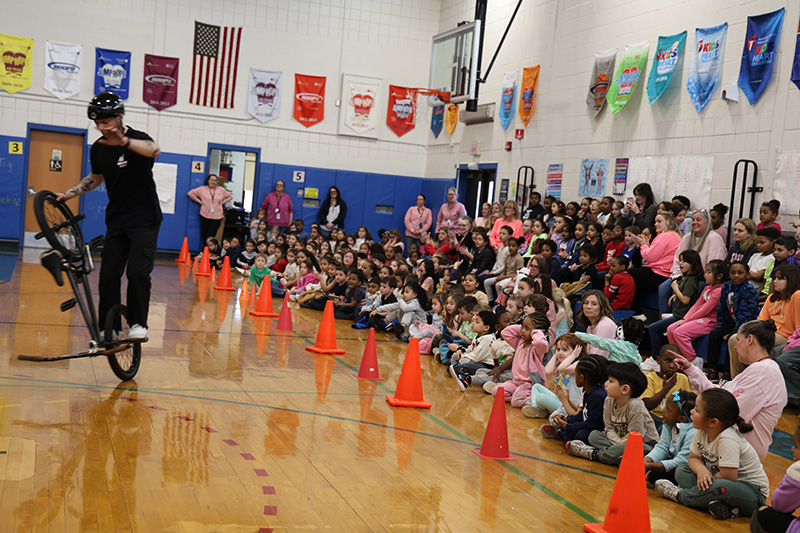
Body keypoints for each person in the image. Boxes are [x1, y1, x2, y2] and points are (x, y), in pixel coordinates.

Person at [57, 92, 161, 341]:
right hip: (117, 220)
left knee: (137, 273)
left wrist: (124, 142)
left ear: (119, 116)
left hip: (145, 219)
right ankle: (109, 327)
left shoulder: (137, 140)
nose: (101, 128)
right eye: (97, 124)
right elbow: (95, 178)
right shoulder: (99, 148)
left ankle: (138, 324)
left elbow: (154, 150)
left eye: (105, 122)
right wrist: (68, 194)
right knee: (108, 275)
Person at [671, 319, 787, 461]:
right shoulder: (758, 369)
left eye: (738, 340)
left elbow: (726, 411)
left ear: (750, 339)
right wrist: (691, 369)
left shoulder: (764, 372)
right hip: (731, 448)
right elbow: (719, 396)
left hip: (739, 455)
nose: (735, 347)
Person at [654, 388, 770, 521]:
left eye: (697, 410)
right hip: (719, 481)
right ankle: (723, 507)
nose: (691, 411)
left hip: (751, 493)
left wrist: (708, 480)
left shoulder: (727, 439)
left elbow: (729, 477)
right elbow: (693, 458)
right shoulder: (701, 430)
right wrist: (702, 470)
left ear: (713, 422)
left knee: (719, 487)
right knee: (682, 470)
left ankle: (680, 496)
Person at [567, 361, 660, 464]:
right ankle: (617, 457)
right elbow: (609, 428)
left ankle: (594, 454)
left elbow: (636, 436)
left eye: (610, 381)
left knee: (628, 447)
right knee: (594, 436)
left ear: (625, 389)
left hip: (645, 444)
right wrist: (618, 443)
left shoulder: (635, 405)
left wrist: (620, 445)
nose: (605, 384)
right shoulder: (609, 400)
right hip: (619, 441)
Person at [749, 420, 800, 533]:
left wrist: (791, 476)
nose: (792, 449)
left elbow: (779, 505)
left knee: (763, 513)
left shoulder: (798, 471)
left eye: (796, 446)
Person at [628, 211, 682, 307]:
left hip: (660, 273)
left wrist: (643, 244)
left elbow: (649, 257)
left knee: (628, 275)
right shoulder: (676, 235)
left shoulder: (665, 235)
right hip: (665, 273)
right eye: (655, 221)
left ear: (668, 222)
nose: (655, 224)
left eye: (659, 221)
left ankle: (634, 310)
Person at [644, 390, 697, 484]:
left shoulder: (692, 433)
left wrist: (650, 466)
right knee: (649, 456)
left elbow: (681, 461)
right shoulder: (669, 425)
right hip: (672, 460)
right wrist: (647, 460)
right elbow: (662, 447)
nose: (663, 410)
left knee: (678, 472)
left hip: (685, 466)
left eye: (668, 409)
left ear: (682, 419)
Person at [187, 173, 233, 248]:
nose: (213, 182)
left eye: (215, 180)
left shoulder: (221, 190)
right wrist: (200, 202)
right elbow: (190, 193)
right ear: (208, 181)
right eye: (211, 180)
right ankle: (204, 251)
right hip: (205, 215)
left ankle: (207, 251)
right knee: (204, 235)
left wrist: (222, 203)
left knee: (211, 236)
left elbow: (230, 196)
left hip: (217, 216)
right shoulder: (202, 189)